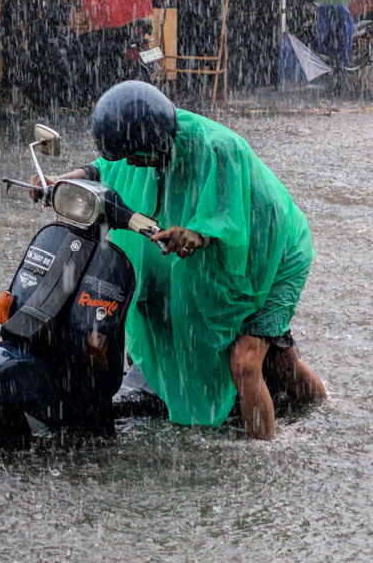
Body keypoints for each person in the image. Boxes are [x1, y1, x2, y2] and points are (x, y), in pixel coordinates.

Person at [32, 80, 327, 439]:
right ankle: (319, 405)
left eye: (134, 156)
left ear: (154, 143)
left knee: (246, 362)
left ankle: (262, 457)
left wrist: (195, 235)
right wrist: (58, 180)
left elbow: (226, 219)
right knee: (280, 357)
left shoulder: (219, 150)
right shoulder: (146, 139)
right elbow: (102, 170)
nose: (131, 164)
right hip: (234, 258)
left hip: (273, 254)